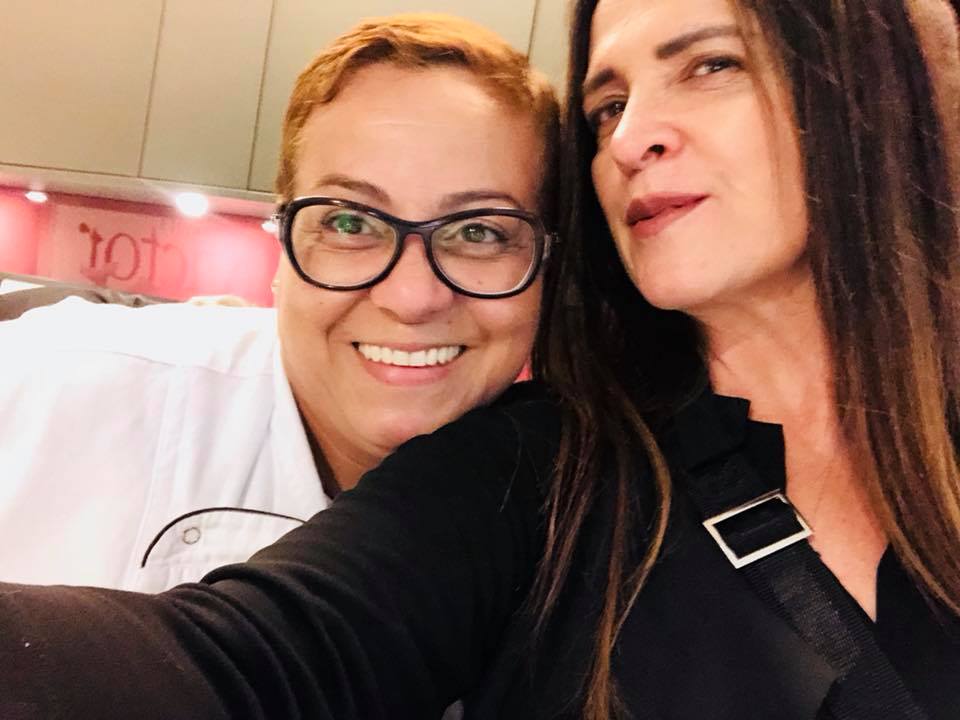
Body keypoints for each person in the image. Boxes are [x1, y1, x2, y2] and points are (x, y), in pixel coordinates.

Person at [0, 1, 958, 719]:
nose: (630, 138)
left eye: (709, 65)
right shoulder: (536, 477)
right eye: (607, 105)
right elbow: (251, 660)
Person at [0, 13, 558, 591]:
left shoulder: (576, 528)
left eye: (478, 232)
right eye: (349, 223)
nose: (412, 297)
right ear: (283, 242)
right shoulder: (50, 390)